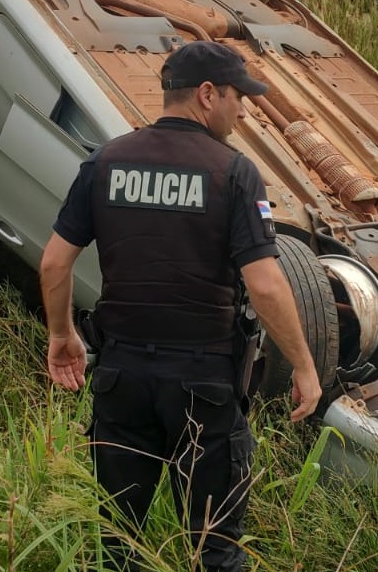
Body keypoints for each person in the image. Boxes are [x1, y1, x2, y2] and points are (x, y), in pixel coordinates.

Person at [39, 40, 323, 572]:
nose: (244, 110)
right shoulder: (235, 173)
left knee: (118, 541)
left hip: (121, 381)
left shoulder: (105, 162)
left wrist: (62, 336)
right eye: (239, 97)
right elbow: (264, 285)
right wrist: (304, 366)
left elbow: (55, 263)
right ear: (208, 95)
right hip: (203, 389)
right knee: (213, 548)